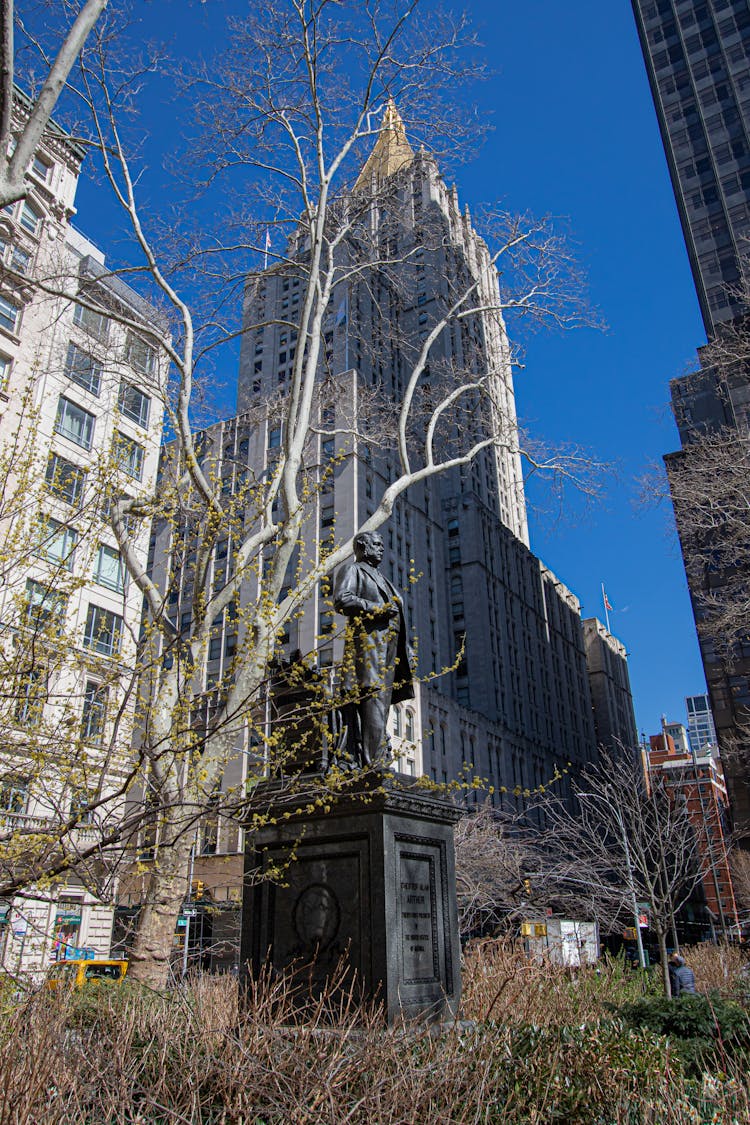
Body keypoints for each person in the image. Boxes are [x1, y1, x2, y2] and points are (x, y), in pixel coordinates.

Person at [333, 530, 413, 766]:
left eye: (381, 544)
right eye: (376, 544)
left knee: (382, 702)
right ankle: (373, 763)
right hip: (368, 651)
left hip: (389, 651)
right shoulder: (353, 570)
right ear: (362, 546)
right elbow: (342, 599)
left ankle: (375, 757)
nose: (382, 548)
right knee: (372, 698)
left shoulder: (381, 578)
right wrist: (376, 608)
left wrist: (405, 648)